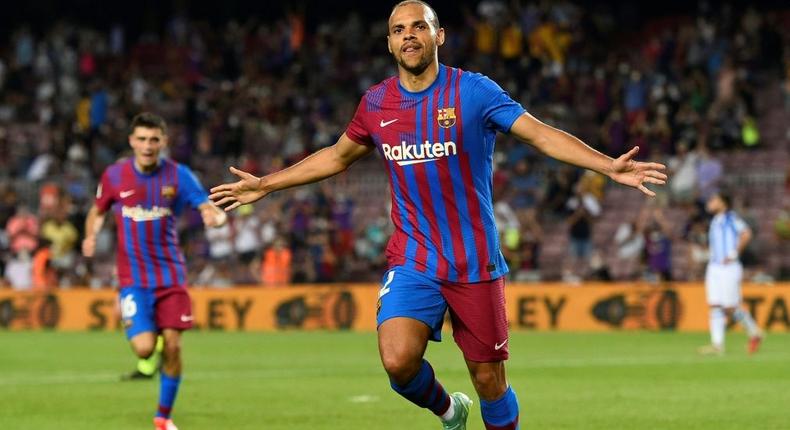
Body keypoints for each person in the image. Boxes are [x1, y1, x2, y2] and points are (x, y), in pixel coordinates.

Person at [209, 2, 667, 429]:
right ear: (389, 44)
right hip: (414, 257)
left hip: (474, 260)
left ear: (438, 36)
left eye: (418, 27)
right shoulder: (376, 104)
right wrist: (265, 184)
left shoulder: (474, 90)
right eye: (398, 30)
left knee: (489, 381)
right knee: (397, 360)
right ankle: (450, 412)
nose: (408, 36)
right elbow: (336, 156)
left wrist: (607, 165)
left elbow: (539, 135)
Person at [82, 112, 227, 430]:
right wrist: (91, 234)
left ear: (164, 142)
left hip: (171, 277)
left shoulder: (179, 175)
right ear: (132, 141)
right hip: (132, 279)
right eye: (142, 139)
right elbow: (97, 210)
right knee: (145, 347)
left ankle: (162, 417)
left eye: (154, 140)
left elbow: (203, 203)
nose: (148, 146)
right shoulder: (115, 175)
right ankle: (155, 335)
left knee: (174, 345)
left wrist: (212, 215)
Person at [698, 192, 763, 356]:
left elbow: (746, 233)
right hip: (714, 267)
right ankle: (717, 345)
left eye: (714, 199)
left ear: (723, 203)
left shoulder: (730, 218)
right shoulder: (714, 220)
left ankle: (754, 331)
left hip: (729, 267)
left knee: (730, 307)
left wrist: (734, 253)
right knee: (715, 304)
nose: (710, 202)